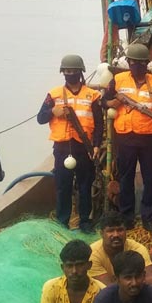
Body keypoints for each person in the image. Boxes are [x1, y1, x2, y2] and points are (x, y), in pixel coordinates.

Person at [103, 43, 152, 233]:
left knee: (150, 178)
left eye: (140, 63)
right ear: (128, 63)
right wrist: (116, 101)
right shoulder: (117, 80)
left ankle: (148, 216)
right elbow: (104, 102)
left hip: (149, 139)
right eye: (133, 62)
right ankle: (127, 217)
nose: (136, 66)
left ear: (146, 64)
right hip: (125, 138)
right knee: (125, 179)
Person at [37, 54, 103, 233]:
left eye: (73, 72)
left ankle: (85, 222)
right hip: (62, 147)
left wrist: (96, 145)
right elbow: (40, 118)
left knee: (85, 185)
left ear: (80, 73)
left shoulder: (93, 95)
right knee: (62, 186)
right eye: (67, 72)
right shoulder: (54, 94)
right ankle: (63, 221)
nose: (70, 74)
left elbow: (99, 123)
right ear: (63, 73)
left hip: (84, 147)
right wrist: (52, 111)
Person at [88, 211, 152, 288]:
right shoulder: (93, 254)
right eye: (110, 231)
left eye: (120, 230)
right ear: (101, 234)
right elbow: (107, 289)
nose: (116, 235)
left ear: (126, 231)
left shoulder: (137, 248)